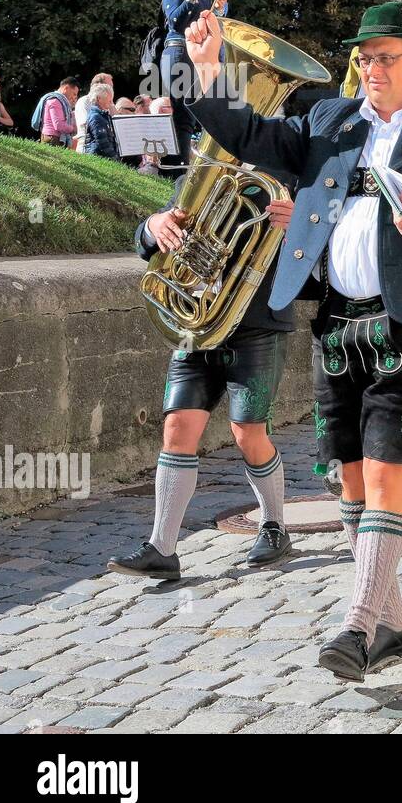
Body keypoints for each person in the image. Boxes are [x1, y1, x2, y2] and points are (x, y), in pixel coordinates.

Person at [178, 1, 402, 682]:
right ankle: (395, 622)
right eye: (364, 55)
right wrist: (207, 67)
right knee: (349, 479)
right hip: (337, 319)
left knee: (389, 473)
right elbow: (248, 132)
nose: (371, 65)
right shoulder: (332, 118)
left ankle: (358, 625)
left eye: (386, 54)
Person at [108, 178, 298, 581]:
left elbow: (318, 250)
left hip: (257, 323)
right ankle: (162, 547)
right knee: (177, 427)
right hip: (197, 323)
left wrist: (301, 225)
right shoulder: (197, 179)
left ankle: (274, 525)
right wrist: (154, 224)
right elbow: (151, 240)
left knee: (247, 430)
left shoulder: (285, 176)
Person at [161, 0, 230, 165]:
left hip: (200, 55)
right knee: (182, 114)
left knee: (194, 114)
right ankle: (175, 169)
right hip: (180, 51)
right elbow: (174, 20)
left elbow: (214, 28)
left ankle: (184, 168)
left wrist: (220, 7)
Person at [73, 73, 114, 154]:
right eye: (109, 86)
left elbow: (115, 123)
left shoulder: (107, 103)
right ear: (98, 85)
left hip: (103, 145)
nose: (111, 89)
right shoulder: (84, 101)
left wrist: (111, 104)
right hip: (88, 148)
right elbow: (86, 125)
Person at [35, 76, 80, 147]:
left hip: (52, 137)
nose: (74, 97)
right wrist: (74, 129)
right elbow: (58, 125)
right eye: (74, 93)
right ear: (66, 88)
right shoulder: (55, 101)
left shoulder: (58, 100)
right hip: (52, 139)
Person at [82, 81, 119, 160]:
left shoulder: (103, 115)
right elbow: (102, 142)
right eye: (109, 100)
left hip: (100, 157)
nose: (111, 103)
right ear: (99, 98)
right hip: (96, 158)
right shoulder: (96, 116)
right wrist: (115, 158)